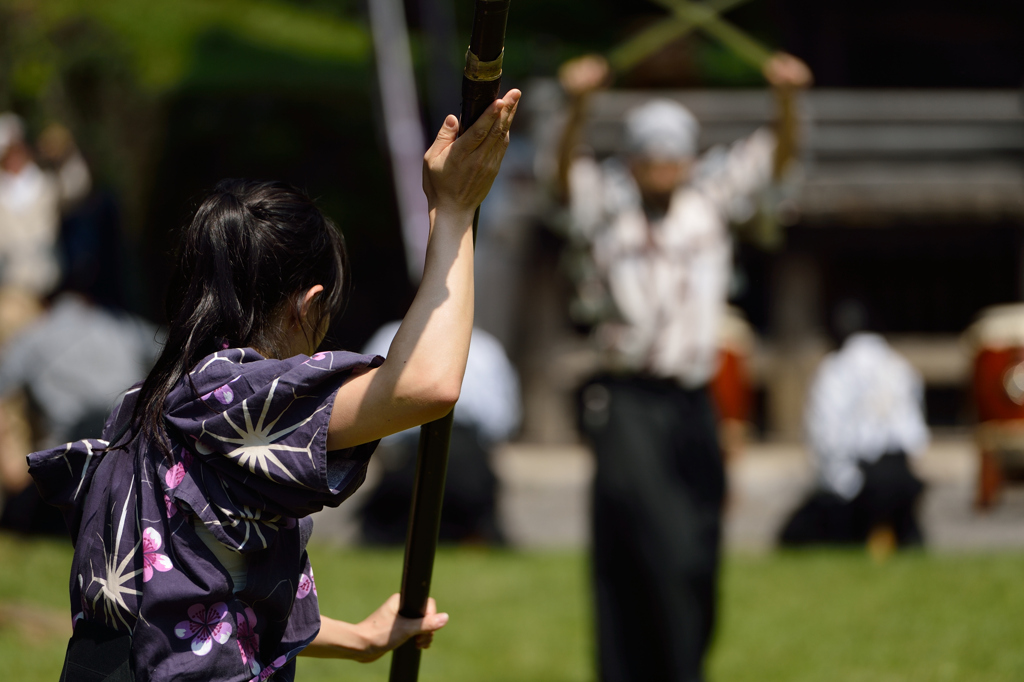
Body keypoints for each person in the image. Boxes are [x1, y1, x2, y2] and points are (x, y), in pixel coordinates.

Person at [27, 89, 521, 682]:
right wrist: (456, 217)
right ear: (306, 307)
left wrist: (359, 638)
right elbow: (427, 385)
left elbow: (198, 598)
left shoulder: (149, 404)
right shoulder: (237, 400)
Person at [557, 52, 811, 682]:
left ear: (691, 159)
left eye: (674, 155)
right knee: (642, 543)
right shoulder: (608, 205)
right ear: (633, 160)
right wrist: (579, 106)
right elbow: (561, 176)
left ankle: (685, 665)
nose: (663, 167)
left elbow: (776, 160)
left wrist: (786, 100)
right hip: (627, 398)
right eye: (651, 155)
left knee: (697, 545)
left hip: (694, 397)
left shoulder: (710, 204)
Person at [359, 321, 521, 544]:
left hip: (416, 456)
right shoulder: (487, 346)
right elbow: (501, 422)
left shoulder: (389, 336)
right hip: (454, 459)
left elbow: (368, 409)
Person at [780, 322, 928, 551]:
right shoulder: (899, 366)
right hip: (902, 475)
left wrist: (844, 486)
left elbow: (826, 436)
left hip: (862, 478)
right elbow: (916, 434)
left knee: (794, 535)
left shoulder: (834, 369)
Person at [0, 114, 91, 345]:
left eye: (16, 149)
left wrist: (66, 153)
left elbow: (78, 184)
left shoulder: (46, 185)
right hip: (10, 288)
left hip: (48, 284)